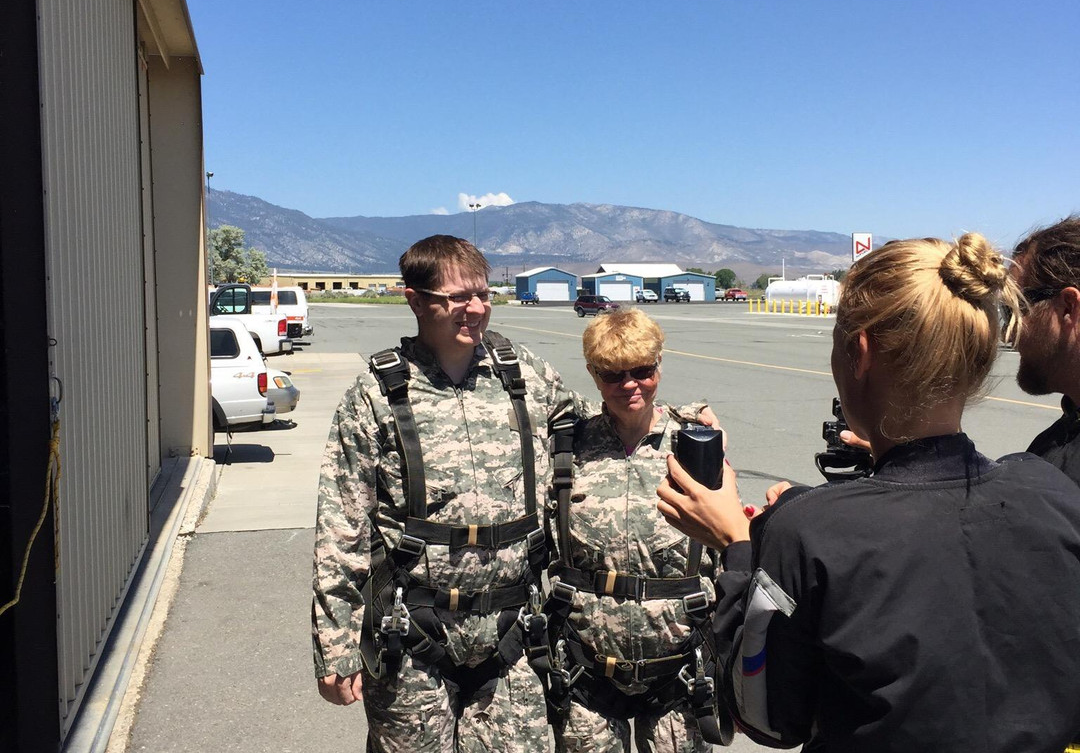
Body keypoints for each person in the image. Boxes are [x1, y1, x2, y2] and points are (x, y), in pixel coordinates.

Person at [658, 233, 1080, 751]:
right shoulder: (1053, 491)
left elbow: (764, 716)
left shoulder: (808, 533)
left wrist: (739, 548)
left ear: (858, 352)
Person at [312, 235, 584, 753]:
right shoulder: (375, 395)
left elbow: (594, 428)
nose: (476, 309)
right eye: (457, 298)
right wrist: (336, 645)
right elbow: (340, 527)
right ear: (415, 300)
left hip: (514, 633)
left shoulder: (522, 374)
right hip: (411, 634)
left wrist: (684, 426)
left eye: (483, 294)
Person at [544, 308, 729, 753]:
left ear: (659, 367)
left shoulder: (696, 444)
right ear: (593, 373)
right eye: (613, 374)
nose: (630, 385)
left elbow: (728, 550)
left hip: (677, 673)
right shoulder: (568, 447)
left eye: (643, 371)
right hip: (587, 673)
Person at [1010, 215, 1080, 481]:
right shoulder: (1059, 438)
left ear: (1068, 307)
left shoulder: (1060, 477)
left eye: (1014, 309)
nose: (1008, 331)